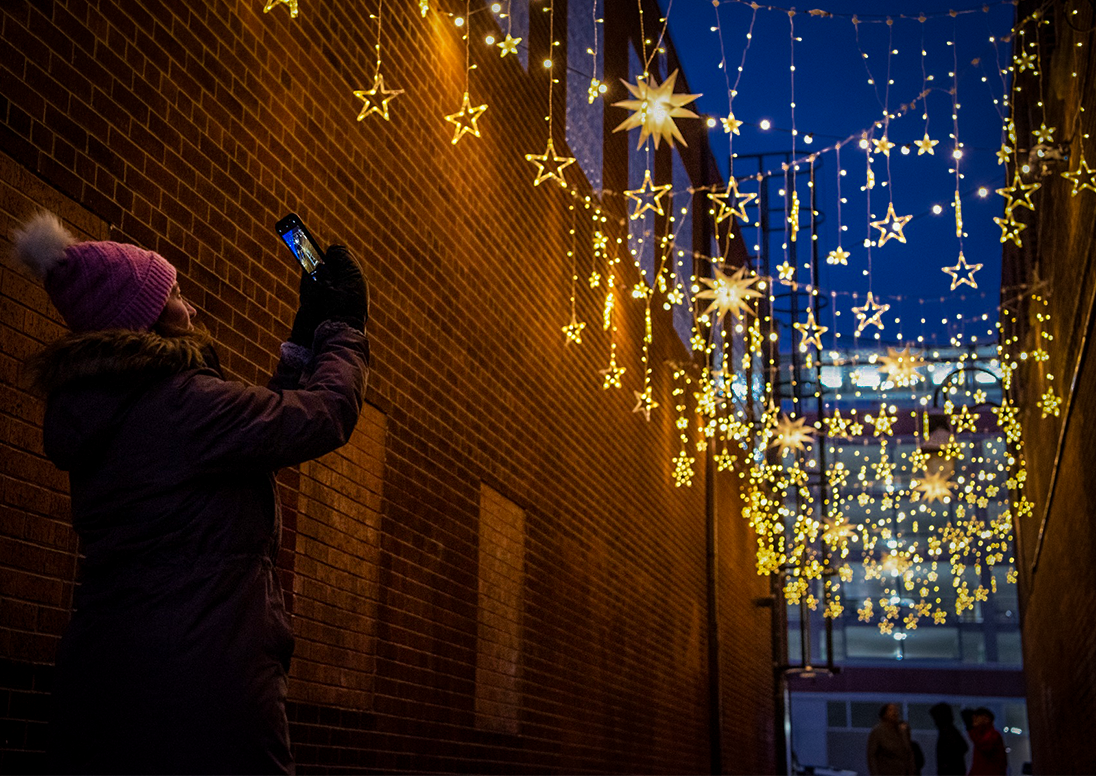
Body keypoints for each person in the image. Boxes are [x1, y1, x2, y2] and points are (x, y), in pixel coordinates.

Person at [13, 211, 370, 774]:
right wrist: (344, 327)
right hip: (207, 678)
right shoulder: (179, 405)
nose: (191, 306)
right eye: (175, 294)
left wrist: (302, 345)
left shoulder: (112, 409)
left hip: (113, 676)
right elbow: (319, 417)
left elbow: (253, 435)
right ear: (145, 318)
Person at [867, 702, 916, 775]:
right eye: (891, 710)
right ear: (884, 714)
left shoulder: (901, 730)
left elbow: (908, 751)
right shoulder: (878, 731)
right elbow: (871, 756)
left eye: (896, 710)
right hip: (886, 771)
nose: (895, 712)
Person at [962, 707, 1008, 776]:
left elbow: (983, 746)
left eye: (977, 717)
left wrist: (971, 729)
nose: (974, 719)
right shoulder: (989, 734)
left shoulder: (992, 735)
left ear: (986, 718)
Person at [930, 702, 969, 775]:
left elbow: (962, 748)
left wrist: (947, 765)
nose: (935, 722)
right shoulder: (950, 731)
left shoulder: (948, 732)